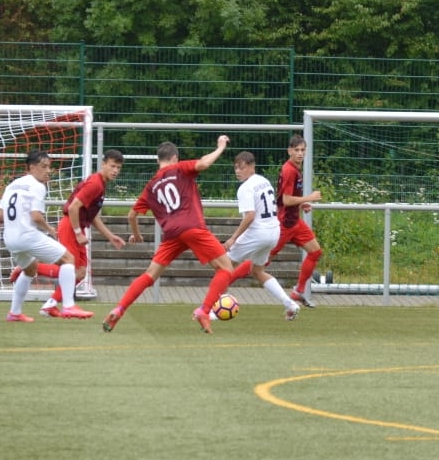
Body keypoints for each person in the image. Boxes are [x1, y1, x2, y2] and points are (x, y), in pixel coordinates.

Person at [101, 136, 237, 334]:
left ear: (159, 160)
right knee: (226, 269)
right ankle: (204, 310)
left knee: (150, 275)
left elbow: (131, 215)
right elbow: (204, 163)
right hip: (192, 227)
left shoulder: (151, 185)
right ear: (175, 157)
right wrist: (220, 147)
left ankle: (119, 309)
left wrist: (137, 235)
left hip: (172, 234)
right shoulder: (180, 168)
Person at [33, 149, 130, 319]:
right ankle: (30, 268)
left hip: (76, 226)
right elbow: (72, 208)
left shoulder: (100, 184)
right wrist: (78, 233)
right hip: (71, 226)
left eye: (119, 168)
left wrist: (110, 236)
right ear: (103, 164)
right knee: (71, 269)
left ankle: (50, 305)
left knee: (80, 272)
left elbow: (92, 217)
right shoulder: (95, 183)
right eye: (113, 166)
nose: (115, 170)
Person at [0, 149, 79, 323]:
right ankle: (69, 305)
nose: (48, 170)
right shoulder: (37, 186)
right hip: (27, 235)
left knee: (30, 269)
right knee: (68, 259)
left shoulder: (12, 185)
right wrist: (49, 229)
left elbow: (0, 215)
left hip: (10, 237)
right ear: (32, 167)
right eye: (44, 166)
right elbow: (36, 216)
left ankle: (15, 312)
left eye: (49, 166)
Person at [224, 151, 303, 321]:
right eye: (236, 167)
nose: (238, 171)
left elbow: (250, 216)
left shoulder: (245, 188)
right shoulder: (264, 181)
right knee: (257, 271)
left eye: (242, 167)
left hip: (259, 232)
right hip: (273, 231)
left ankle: (211, 310)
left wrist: (233, 238)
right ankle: (290, 304)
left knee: (223, 266)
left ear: (252, 167)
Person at [263, 134, 323, 308]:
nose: (300, 153)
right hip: (284, 224)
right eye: (296, 150)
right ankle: (228, 276)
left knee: (315, 251)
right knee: (261, 263)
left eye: (303, 150)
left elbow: (287, 200)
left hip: (294, 221)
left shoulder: (296, 169)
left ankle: (298, 291)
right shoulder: (289, 170)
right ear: (289, 151)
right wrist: (309, 197)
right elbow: (287, 200)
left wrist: (302, 204)